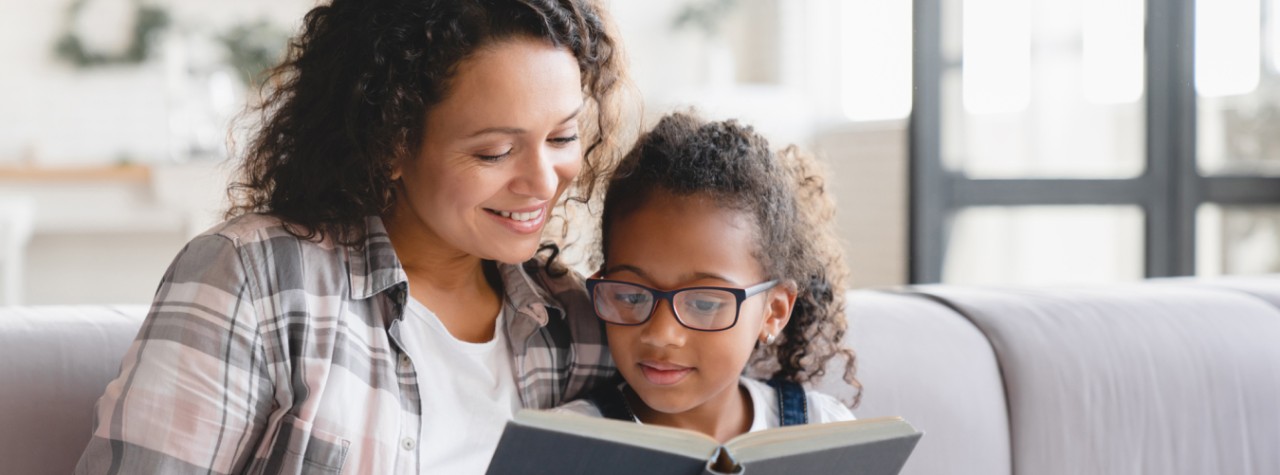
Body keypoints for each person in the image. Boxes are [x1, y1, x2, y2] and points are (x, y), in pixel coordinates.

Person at [75, 0, 627, 473]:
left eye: (562, 136)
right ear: (390, 141)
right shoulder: (254, 280)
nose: (542, 180)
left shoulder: (572, 322)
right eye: (494, 152)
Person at [555, 112, 861, 442]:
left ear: (773, 311)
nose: (661, 334)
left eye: (703, 303)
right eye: (631, 297)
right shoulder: (564, 444)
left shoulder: (825, 430)